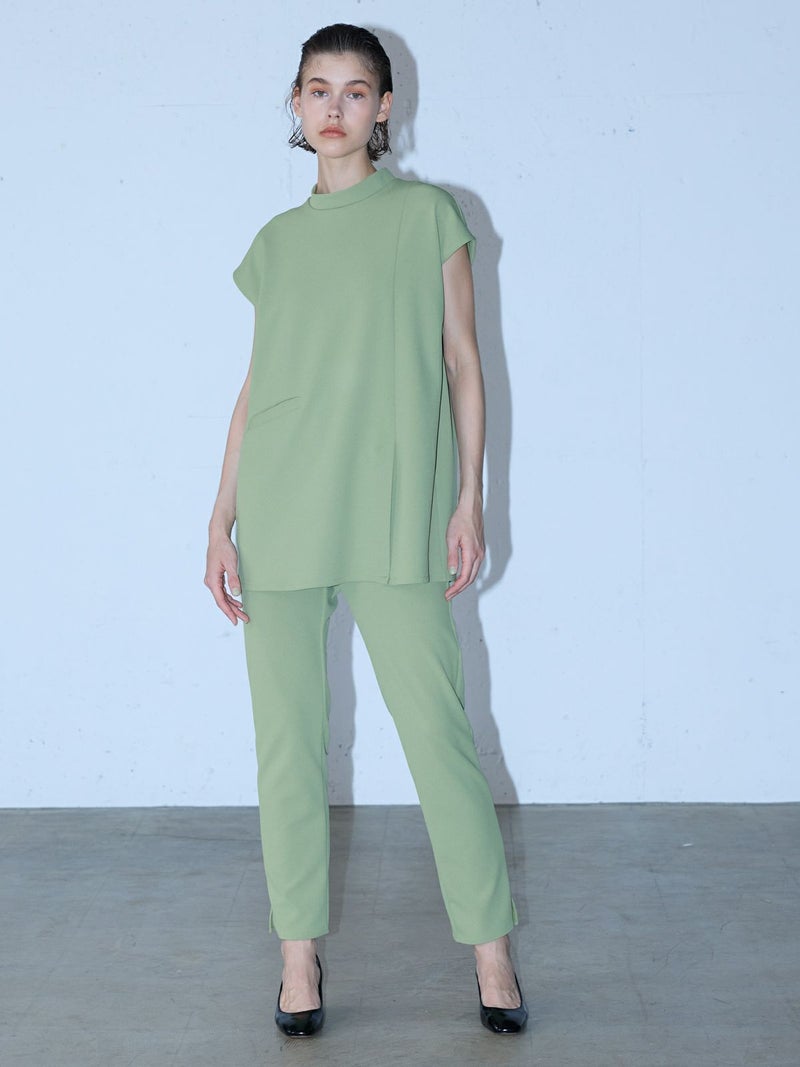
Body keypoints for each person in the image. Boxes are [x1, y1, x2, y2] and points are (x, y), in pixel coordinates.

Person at [204, 23, 527, 1038]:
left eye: (354, 91)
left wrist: (468, 498)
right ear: (296, 106)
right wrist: (220, 514)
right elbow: (256, 387)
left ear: (384, 107)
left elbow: (464, 362)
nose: (334, 107)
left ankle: (491, 951)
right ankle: (297, 956)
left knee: (437, 734)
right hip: (282, 507)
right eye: (317, 89)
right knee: (286, 744)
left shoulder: (427, 216)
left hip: (394, 508)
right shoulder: (275, 242)